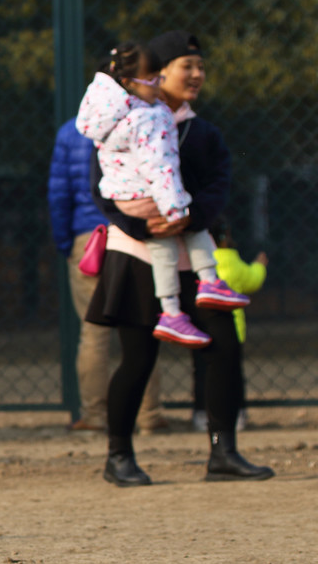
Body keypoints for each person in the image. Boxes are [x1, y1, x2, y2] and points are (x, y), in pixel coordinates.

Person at [86, 31, 273, 485]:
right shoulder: (120, 123)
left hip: (196, 263)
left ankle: (223, 451)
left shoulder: (203, 131)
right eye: (187, 65)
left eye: (201, 67)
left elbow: (218, 187)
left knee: (224, 347)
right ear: (155, 74)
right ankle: (119, 456)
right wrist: (142, 226)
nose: (197, 75)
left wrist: (188, 218)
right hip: (136, 255)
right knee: (138, 358)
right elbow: (104, 189)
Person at [77, 42, 248, 350]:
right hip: (147, 199)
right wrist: (177, 208)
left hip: (124, 197)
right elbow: (160, 166)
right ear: (131, 81)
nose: (157, 84)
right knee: (183, 225)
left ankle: (171, 311)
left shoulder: (109, 114)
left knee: (163, 249)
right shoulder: (149, 117)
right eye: (153, 78)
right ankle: (208, 281)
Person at [48, 118, 166, 434]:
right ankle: (148, 416)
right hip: (134, 234)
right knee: (143, 326)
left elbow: (59, 195)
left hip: (89, 239)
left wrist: (67, 242)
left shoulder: (71, 131)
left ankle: (95, 416)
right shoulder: (144, 121)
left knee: (93, 332)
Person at [192, 218, 268, 432]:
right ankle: (238, 414)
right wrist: (260, 265)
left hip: (199, 330)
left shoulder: (195, 261)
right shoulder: (233, 263)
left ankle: (201, 413)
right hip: (232, 331)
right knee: (233, 375)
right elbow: (253, 280)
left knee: (201, 373)